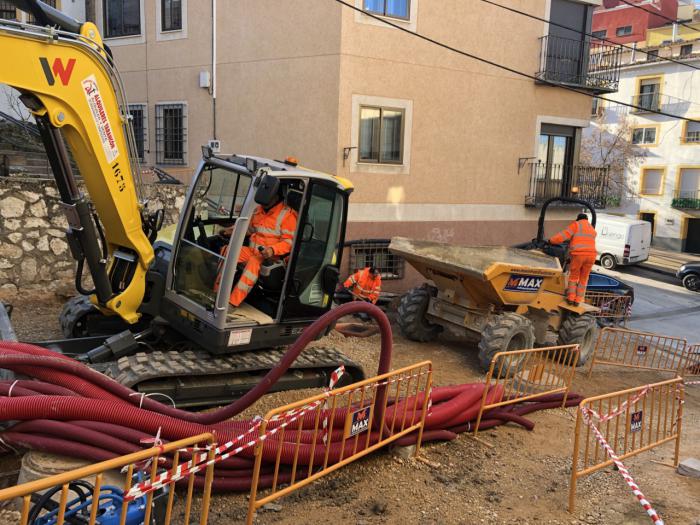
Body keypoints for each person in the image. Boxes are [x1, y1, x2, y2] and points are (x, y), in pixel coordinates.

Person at [220, 190, 297, 307]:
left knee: (253, 263)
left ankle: (232, 303)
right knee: (228, 250)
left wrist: (272, 250)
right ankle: (217, 292)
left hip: (271, 258)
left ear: (275, 196)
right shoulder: (258, 210)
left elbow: (289, 242)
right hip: (253, 251)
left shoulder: (288, 215)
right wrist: (230, 231)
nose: (262, 203)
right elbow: (250, 229)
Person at [549, 213, 597, 306]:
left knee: (574, 276)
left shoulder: (576, 225)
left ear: (578, 219)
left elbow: (562, 236)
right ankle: (578, 299)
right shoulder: (591, 229)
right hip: (592, 256)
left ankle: (571, 298)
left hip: (579, 255)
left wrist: (551, 241)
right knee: (584, 278)